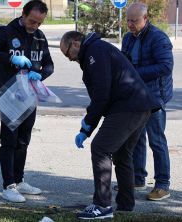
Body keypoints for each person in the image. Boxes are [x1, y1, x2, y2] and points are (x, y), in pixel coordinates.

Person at [60, 31, 160, 219]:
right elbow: (103, 93)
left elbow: (101, 94)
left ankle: (102, 205)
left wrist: (87, 126)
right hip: (139, 105)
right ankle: (125, 204)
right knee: (122, 154)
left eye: (67, 53)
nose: (69, 58)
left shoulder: (94, 51)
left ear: (75, 43)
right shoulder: (96, 49)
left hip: (128, 106)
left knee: (100, 148)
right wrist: (88, 125)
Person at [0, 0, 54, 203]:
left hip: (29, 94)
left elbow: (49, 65)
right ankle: (9, 185)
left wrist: (40, 75)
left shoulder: (39, 37)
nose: (34, 26)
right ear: (23, 14)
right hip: (9, 93)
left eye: (39, 23)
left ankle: (20, 180)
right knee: (10, 140)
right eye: (32, 21)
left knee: (23, 140)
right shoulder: (6, 32)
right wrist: (12, 59)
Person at [121, 2, 173, 201]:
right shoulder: (127, 38)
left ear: (145, 18)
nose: (130, 24)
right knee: (137, 138)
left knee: (157, 141)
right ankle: (137, 178)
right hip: (135, 97)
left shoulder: (158, 38)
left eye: (134, 21)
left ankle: (162, 185)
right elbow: (124, 61)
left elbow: (165, 66)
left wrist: (134, 74)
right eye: (128, 20)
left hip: (154, 98)